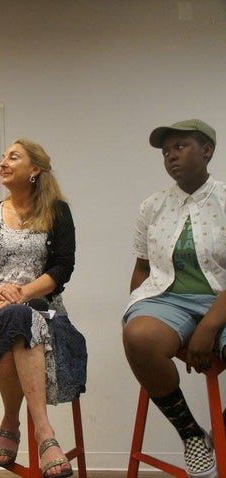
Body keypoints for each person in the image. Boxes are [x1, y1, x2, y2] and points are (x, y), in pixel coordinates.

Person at [0, 138, 86, 478]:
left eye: (13, 157)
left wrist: (23, 293)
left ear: (34, 170)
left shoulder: (57, 212)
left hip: (46, 309)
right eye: (2, 157)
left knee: (21, 318)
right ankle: (45, 434)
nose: (3, 162)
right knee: (14, 318)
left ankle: (10, 424)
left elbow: (63, 268)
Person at [122, 119, 221, 478]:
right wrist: (136, 308)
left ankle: (223, 430)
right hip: (168, 300)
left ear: (207, 150)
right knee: (139, 336)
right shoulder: (153, 206)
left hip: (221, 300)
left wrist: (209, 326)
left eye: (181, 147)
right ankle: (192, 435)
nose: (171, 156)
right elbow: (142, 268)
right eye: (166, 152)